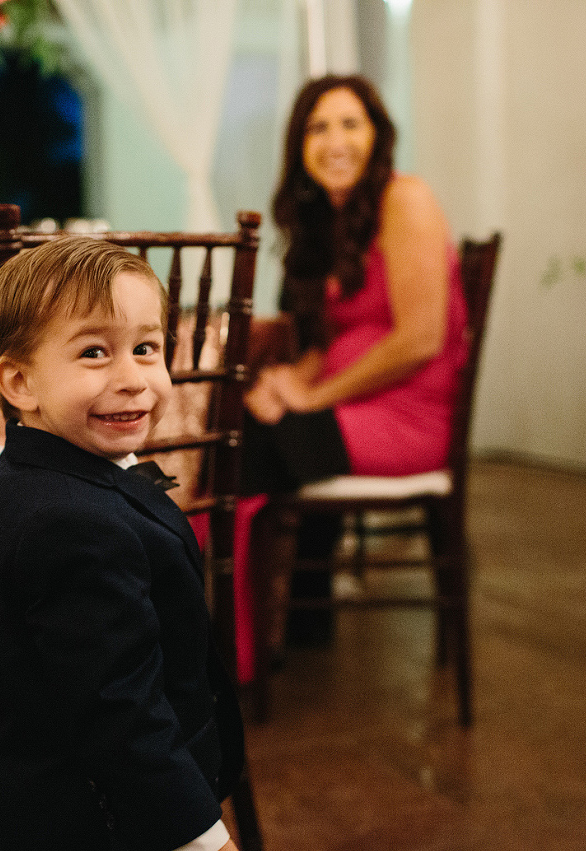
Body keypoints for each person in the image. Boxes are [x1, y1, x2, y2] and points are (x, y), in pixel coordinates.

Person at [0, 235, 249, 851]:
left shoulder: (8, 484)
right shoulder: (72, 526)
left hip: (42, 810)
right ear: (19, 381)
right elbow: (124, 722)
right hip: (106, 827)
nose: (133, 379)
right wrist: (206, 846)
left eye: (146, 348)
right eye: (95, 353)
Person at [242, 74, 468, 642]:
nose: (334, 141)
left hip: (409, 418)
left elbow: (420, 340)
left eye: (350, 124)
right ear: (299, 147)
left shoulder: (405, 198)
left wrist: (312, 396)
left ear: (377, 136)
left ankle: (227, 639)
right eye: (318, 128)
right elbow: (330, 340)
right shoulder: (338, 221)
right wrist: (287, 380)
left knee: (239, 454)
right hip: (362, 406)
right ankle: (293, 625)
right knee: (241, 431)